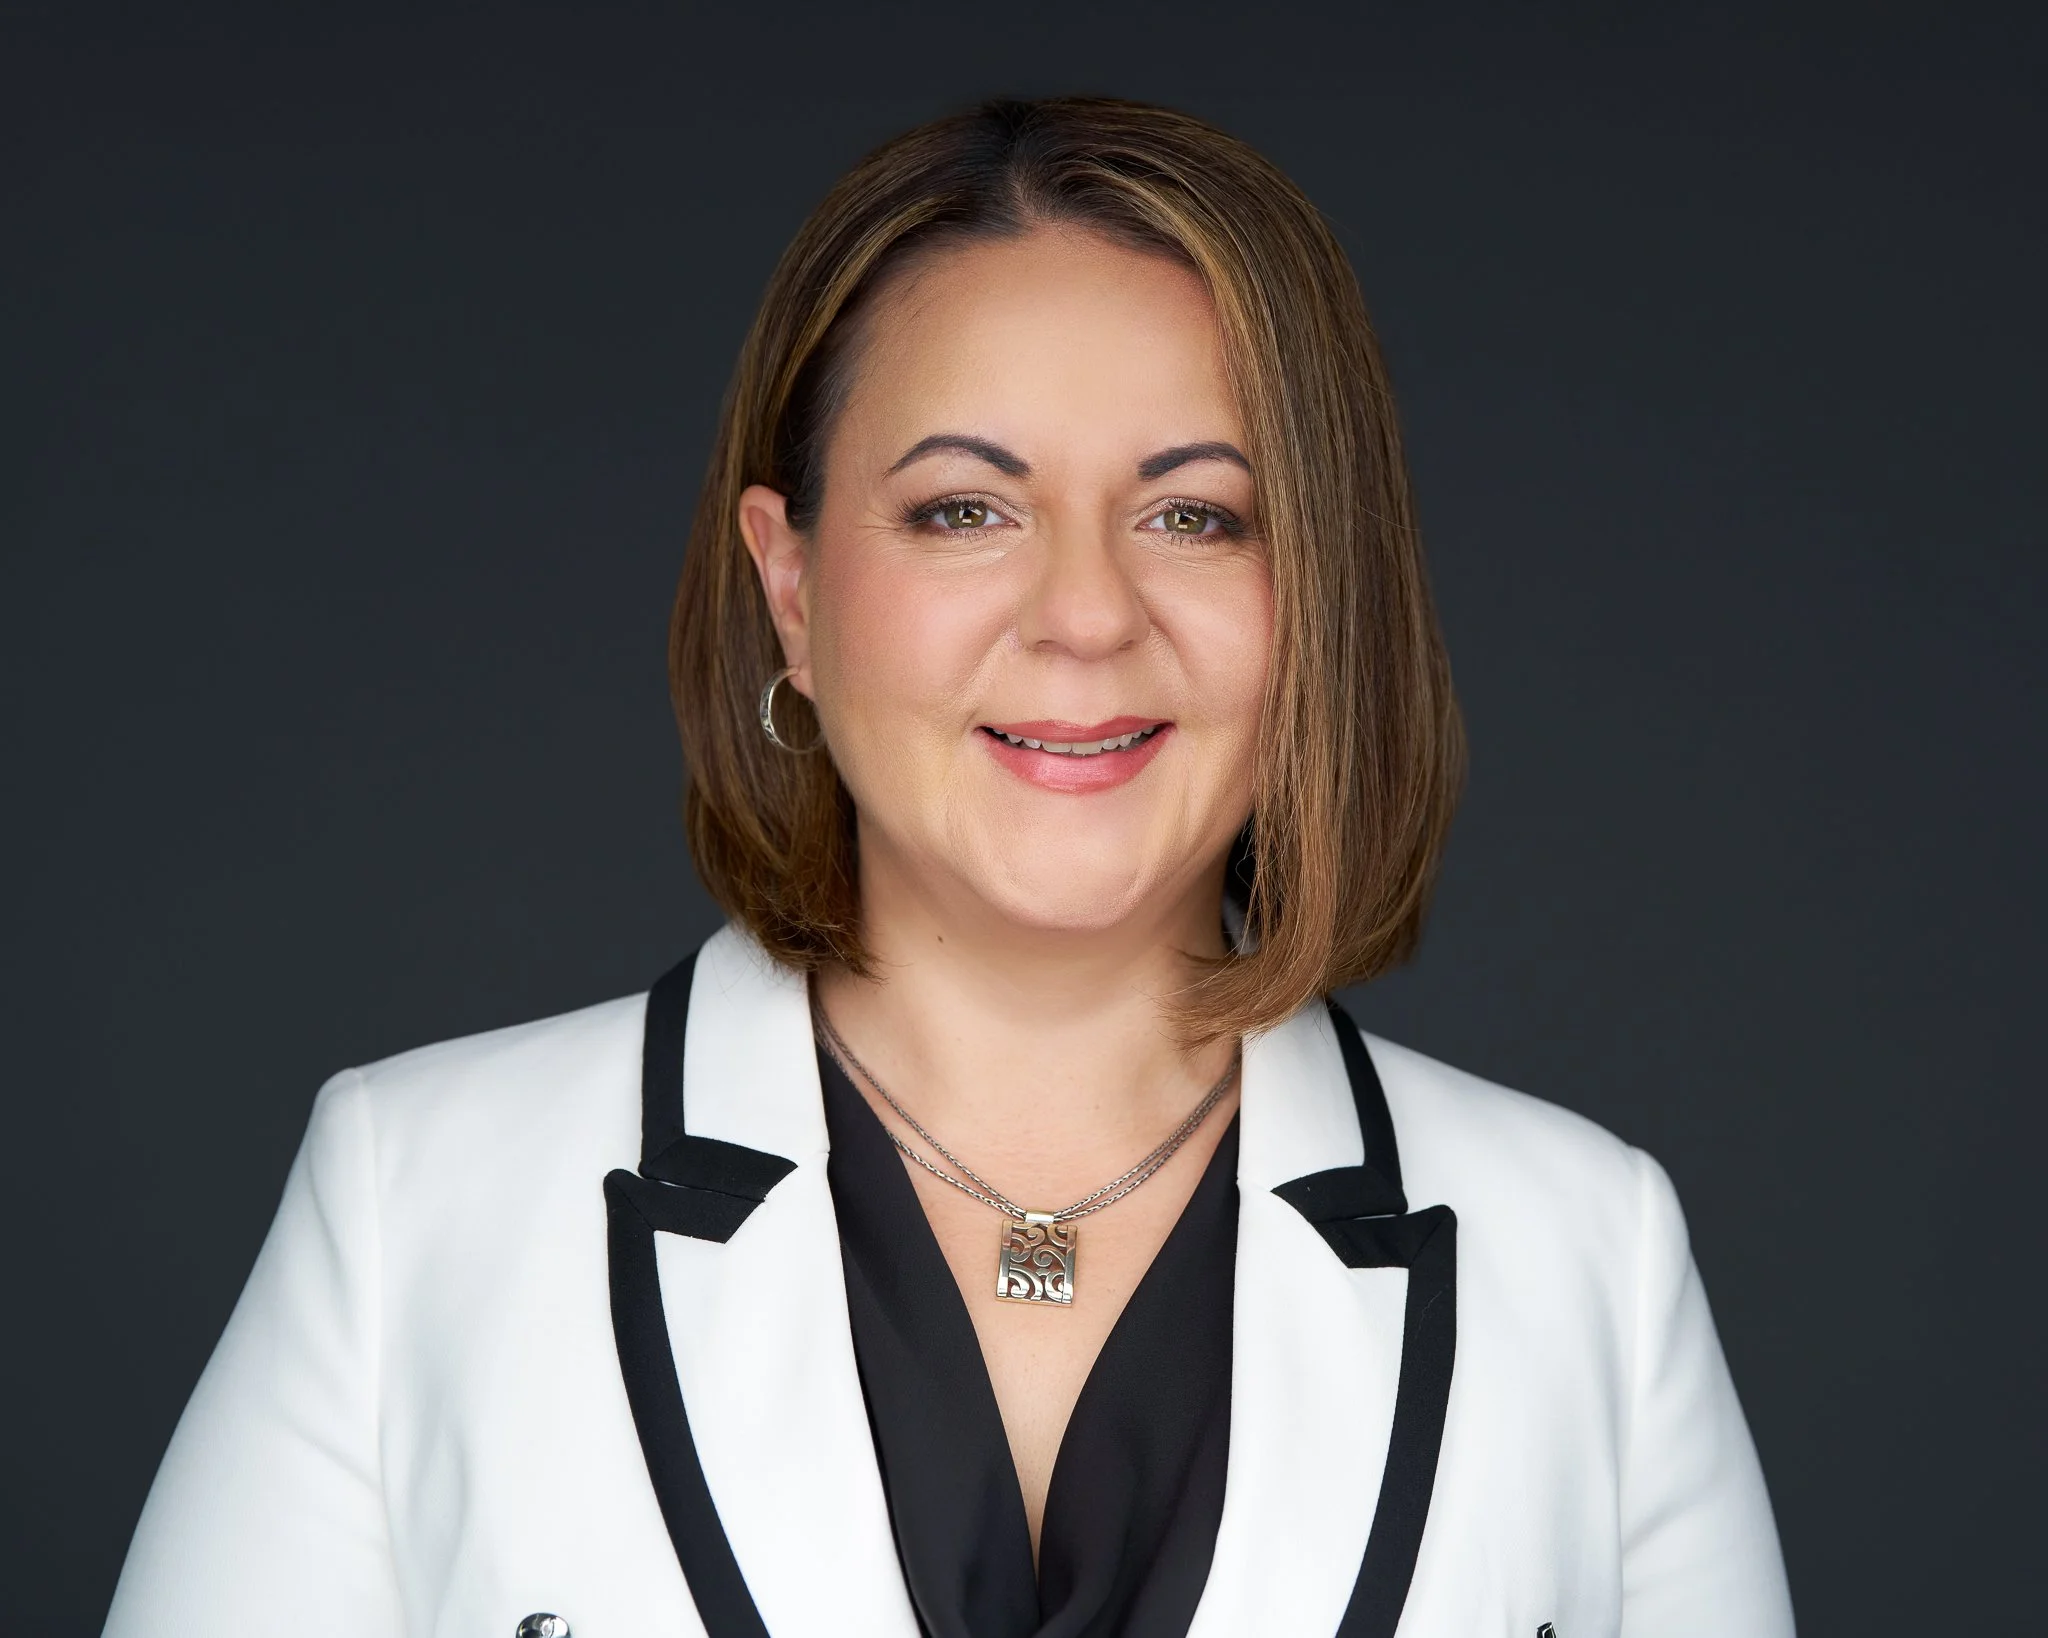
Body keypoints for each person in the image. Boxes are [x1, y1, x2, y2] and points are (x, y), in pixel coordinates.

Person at [103, 97, 1795, 1638]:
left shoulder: (1588, 1259)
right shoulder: (415, 1209)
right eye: (964, 509)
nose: (1084, 612)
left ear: (1323, 598)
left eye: (1198, 513)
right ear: (790, 588)